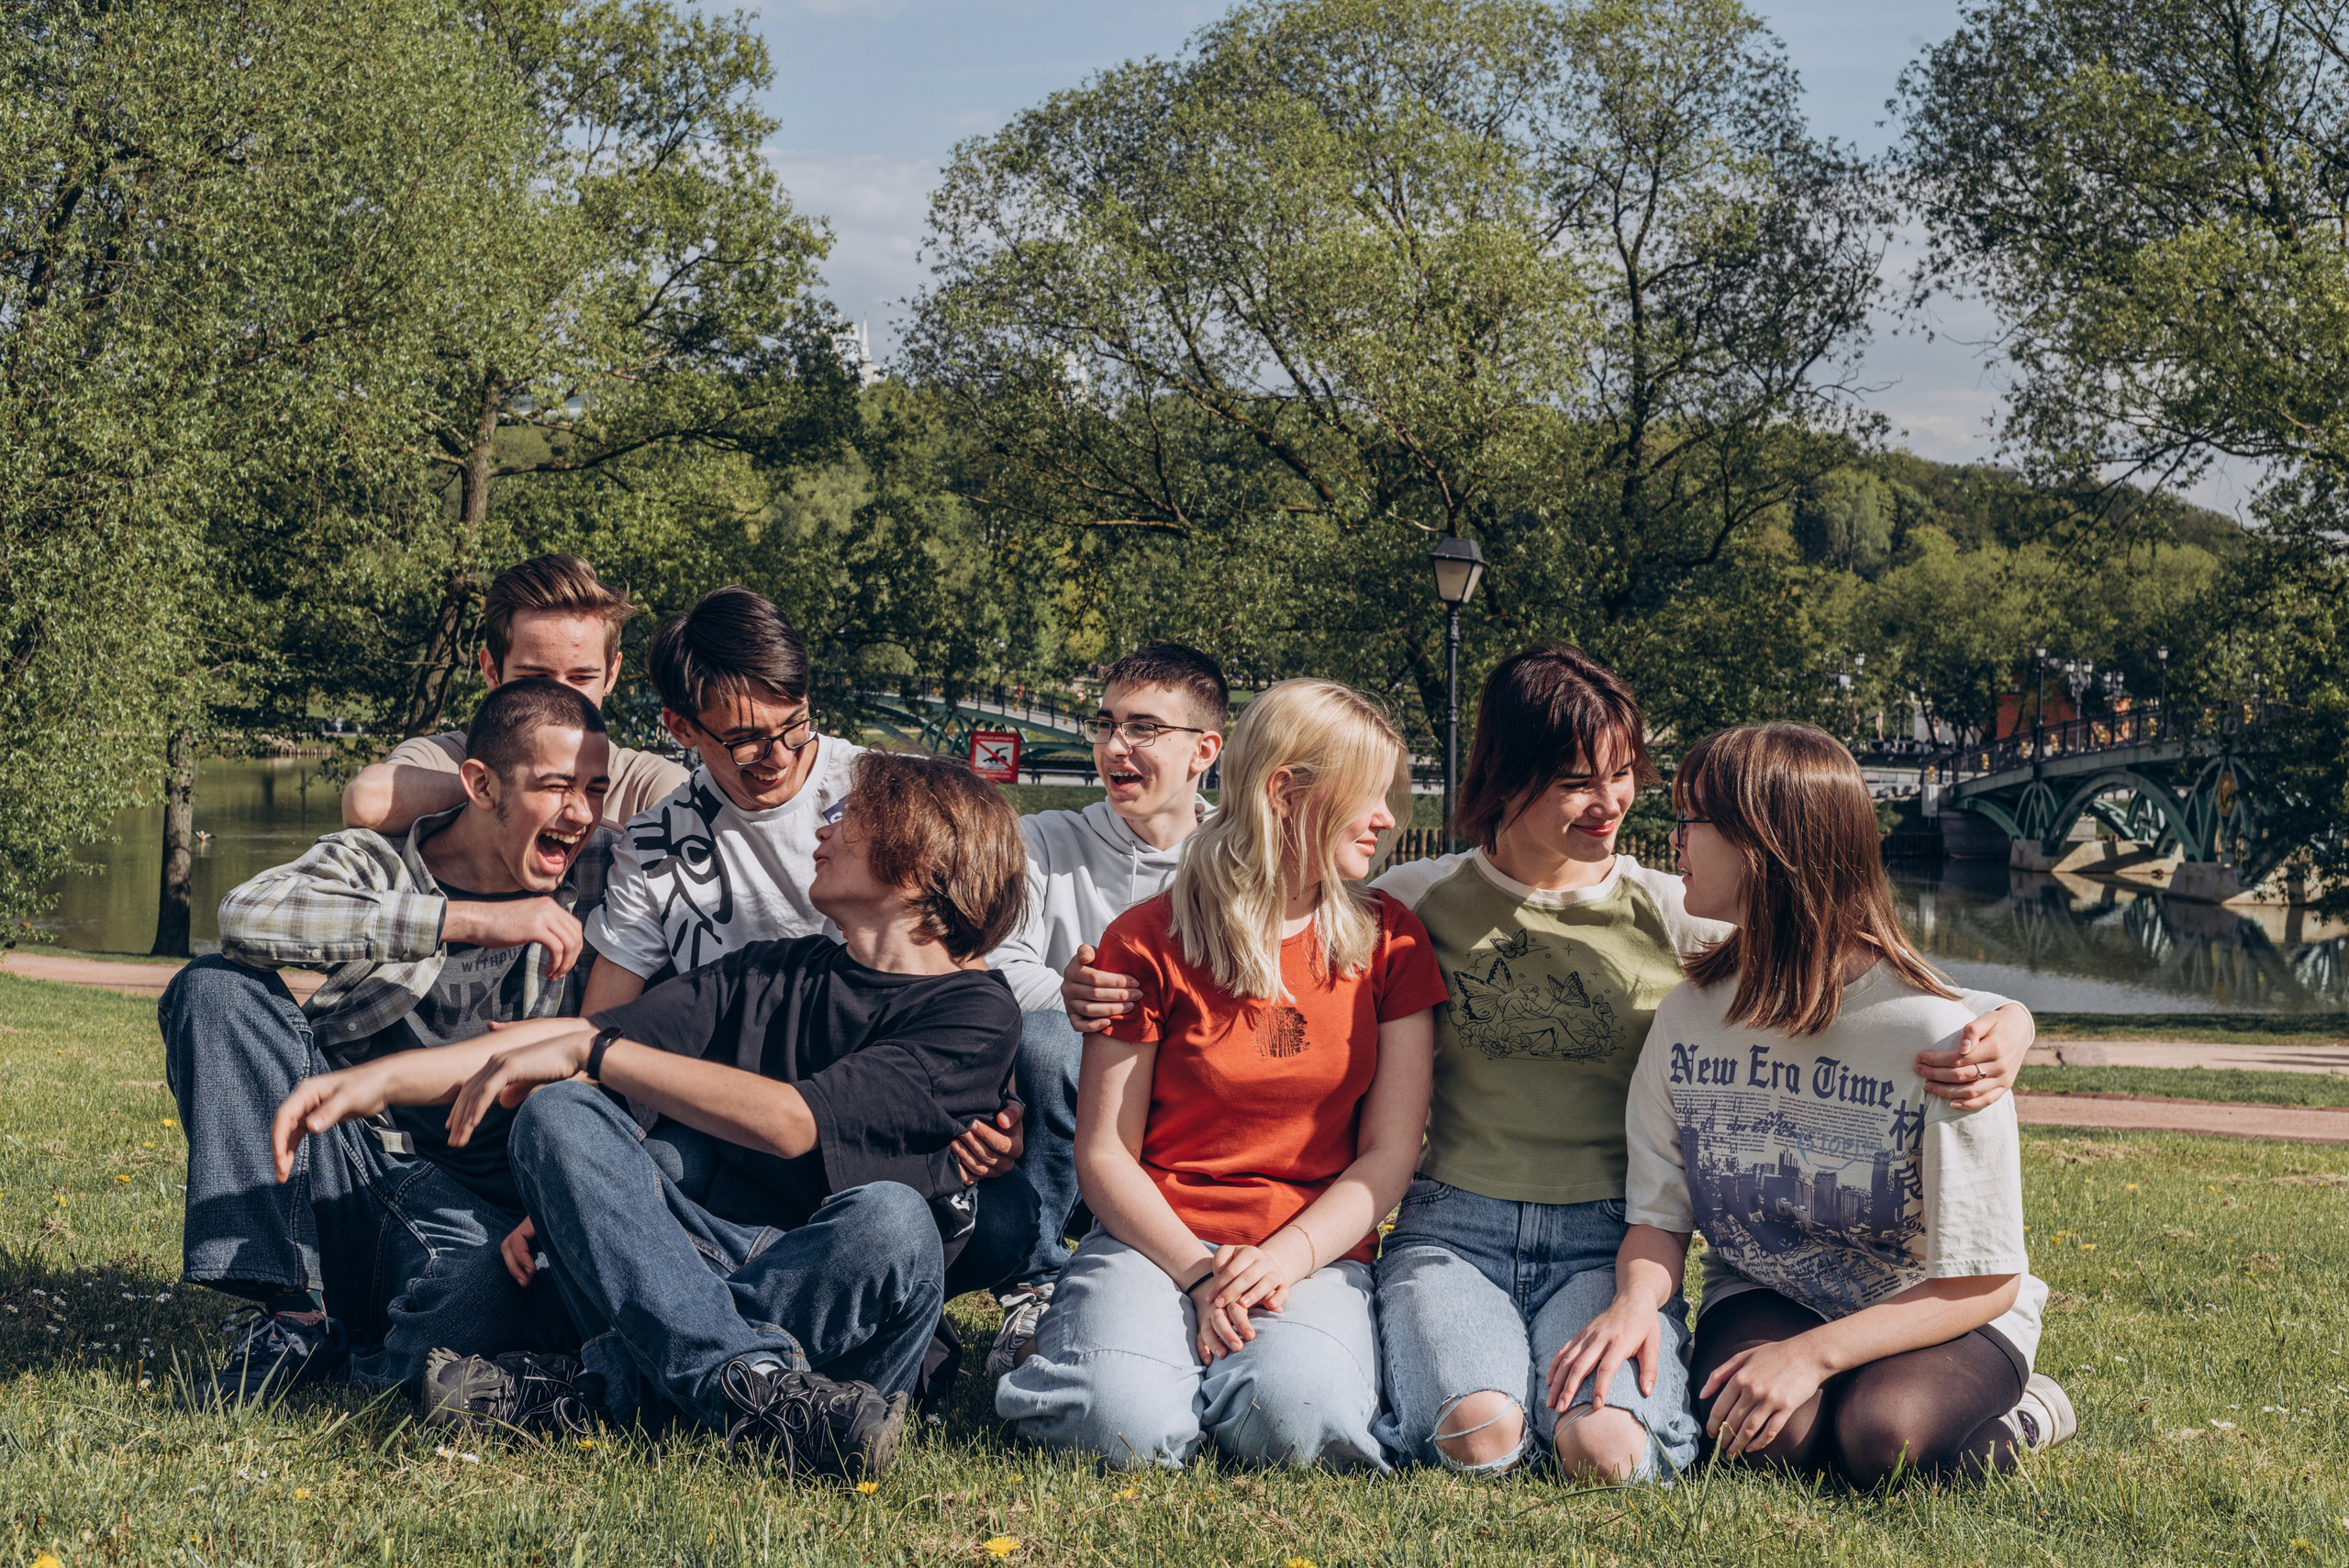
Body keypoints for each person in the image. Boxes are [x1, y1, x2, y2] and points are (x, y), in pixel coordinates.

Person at [1066, 645, 2039, 1481]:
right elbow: (1266, 917)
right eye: (1578, 778)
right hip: (1456, 1224)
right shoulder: (1412, 902)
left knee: (1611, 1450)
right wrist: (1098, 983)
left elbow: (1851, 958)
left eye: (1625, 776)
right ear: (1509, 775)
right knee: (1476, 1437)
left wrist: (2011, 1022)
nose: (1611, 803)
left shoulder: (1675, 909)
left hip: (1611, 1234)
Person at [271, 751, 1031, 1483]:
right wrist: (375, 1080)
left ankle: (597, 1390)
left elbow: (794, 1121)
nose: (821, 828)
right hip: (680, 1263)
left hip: (835, 1285)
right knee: (559, 1111)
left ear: (917, 864)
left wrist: (593, 1051)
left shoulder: (975, 1013)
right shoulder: (773, 968)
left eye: (846, 815)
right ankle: (759, 1395)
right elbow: (547, 1048)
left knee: (894, 1220)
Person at [1550, 722, 2070, 1487]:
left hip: (1935, 1309)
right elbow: (1659, 1219)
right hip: (1767, 1289)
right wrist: (1634, 1302)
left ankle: (2030, 1413)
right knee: (1765, 1441)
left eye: (1691, 819)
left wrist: (1813, 1356)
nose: (1674, 839)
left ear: (1764, 844)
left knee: (1882, 1441)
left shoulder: (1947, 1039)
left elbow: (1983, 1280)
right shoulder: (1690, 1015)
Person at [996, 679, 1447, 1471]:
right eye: (1369, 795)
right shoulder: (1147, 938)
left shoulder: (1389, 942)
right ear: (1284, 791)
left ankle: (1210, 1364)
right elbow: (1104, 1153)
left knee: (1298, 1423)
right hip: (1153, 1238)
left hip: (1310, 1249)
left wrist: (1281, 1259)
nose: (1387, 818)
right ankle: (1108, 1346)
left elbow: (1388, 1155)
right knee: (1115, 1428)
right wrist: (1203, 1273)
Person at [161, 678, 616, 1406]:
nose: (581, 812)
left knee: (486, 1310)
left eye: (596, 789)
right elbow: (246, 913)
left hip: (477, 1213)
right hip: (342, 1165)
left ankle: (395, 1343)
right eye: (557, 786)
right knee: (214, 987)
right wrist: (457, 919)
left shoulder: (607, 873)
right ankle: (291, 1314)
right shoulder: (381, 860)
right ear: (480, 785)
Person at [980, 643, 1228, 1376]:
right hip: (1067, 1099)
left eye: (1144, 728)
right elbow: (993, 957)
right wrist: (1066, 989)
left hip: (1191, 1111)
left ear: (1203, 750)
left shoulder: (1241, 858)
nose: (1115, 746)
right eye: (1107, 724)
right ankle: (1037, 1277)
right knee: (1058, 1036)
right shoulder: (1043, 841)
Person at [579, 584, 864, 1010]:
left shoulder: (887, 791)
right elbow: (602, 1020)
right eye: (746, 740)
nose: (781, 757)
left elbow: (993, 964)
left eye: (796, 722)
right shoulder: (653, 846)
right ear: (681, 728)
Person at [341, 555, 686, 835]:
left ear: (612, 675)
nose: (561, 698)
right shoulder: (443, 758)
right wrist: (503, 789)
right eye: (537, 678)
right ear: (492, 671)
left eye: (582, 677)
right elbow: (365, 799)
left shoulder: (649, 785)